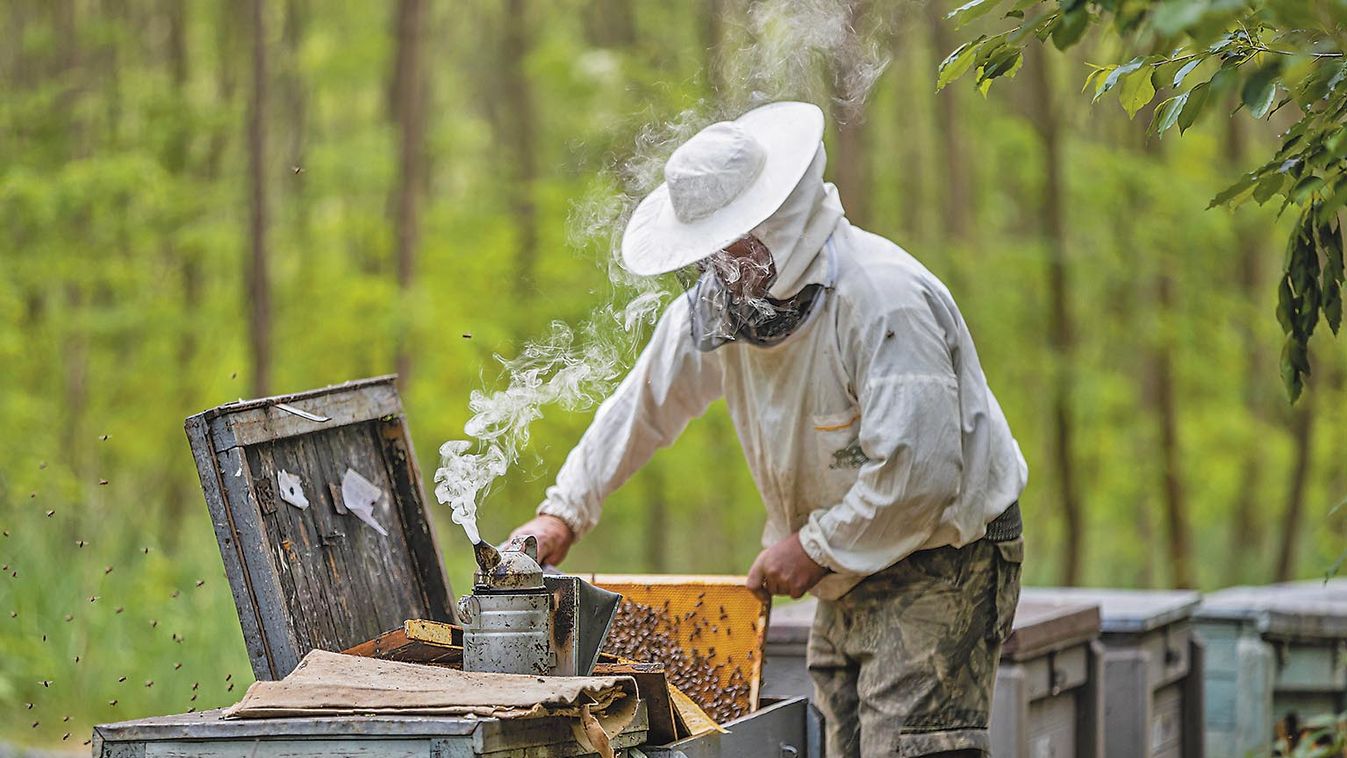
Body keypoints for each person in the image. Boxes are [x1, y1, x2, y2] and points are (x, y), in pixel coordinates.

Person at [509, 101, 1027, 757]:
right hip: (845, 555)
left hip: (944, 550)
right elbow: (640, 407)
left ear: (771, 230)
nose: (711, 272)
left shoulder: (880, 297)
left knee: (909, 746)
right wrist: (562, 514)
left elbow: (919, 476)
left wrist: (809, 548)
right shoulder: (723, 310)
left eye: (723, 252)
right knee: (848, 738)